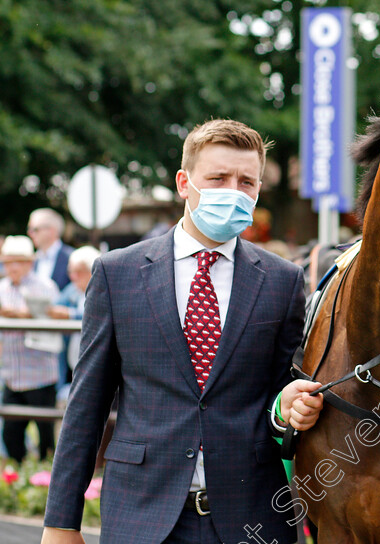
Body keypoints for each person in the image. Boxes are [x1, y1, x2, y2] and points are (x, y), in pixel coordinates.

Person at [42, 120, 325, 544]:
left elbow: (280, 388)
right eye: (218, 178)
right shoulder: (117, 274)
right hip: (142, 513)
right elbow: (87, 404)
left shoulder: (283, 281)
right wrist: (61, 522)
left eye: (247, 181)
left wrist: (286, 402)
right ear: (184, 183)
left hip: (252, 515)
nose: (234, 191)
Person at [0, 235, 60, 464]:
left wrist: (21, 315)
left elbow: (54, 323)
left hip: (40, 375)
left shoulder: (45, 287)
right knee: (11, 435)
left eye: (17, 261)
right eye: (7, 262)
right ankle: (19, 481)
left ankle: (45, 480)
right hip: (12, 374)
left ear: (29, 263)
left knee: (46, 436)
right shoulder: (2, 288)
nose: (11, 267)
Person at [47, 246, 101, 401]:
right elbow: (54, 306)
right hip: (74, 364)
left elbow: (98, 315)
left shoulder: (104, 287)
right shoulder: (72, 289)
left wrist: (69, 314)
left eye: (79, 272)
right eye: (71, 272)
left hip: (98, 363)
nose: (74, 277)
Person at [28, 208, 75, 291]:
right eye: (29, 229)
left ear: (51, 231)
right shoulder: (32, 259)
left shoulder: (72, 258)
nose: (30, 233)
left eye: (35, 229)